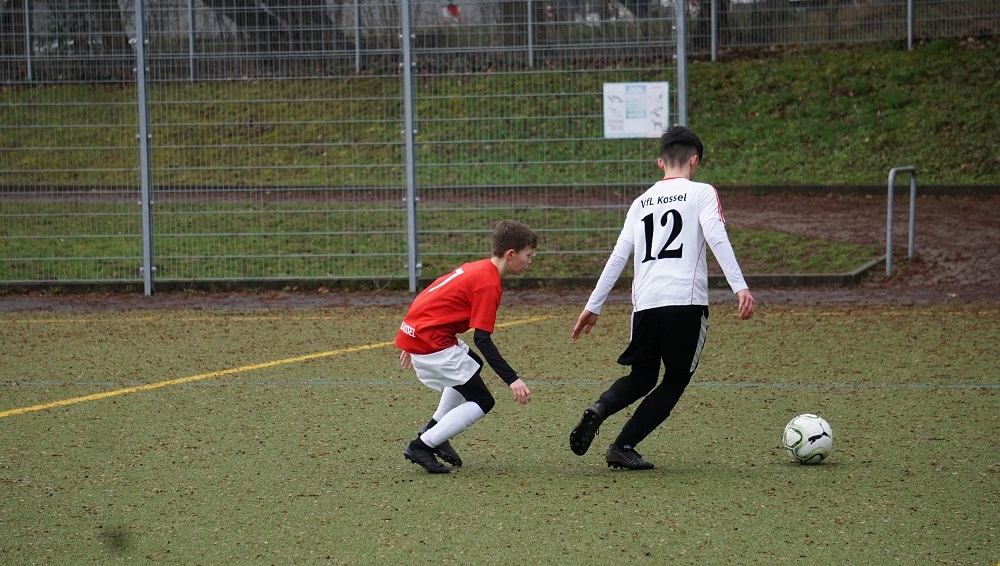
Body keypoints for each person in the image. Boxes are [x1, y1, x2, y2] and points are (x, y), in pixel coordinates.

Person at [568, 125, 755, 470]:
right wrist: (739, 286)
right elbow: (716, 236)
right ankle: (622, 446)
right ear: (694, 161)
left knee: (642, 377)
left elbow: (618, 256)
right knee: (675, 379)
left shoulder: (640, 202)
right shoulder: (702, 192)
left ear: (660, 162)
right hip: (685, 302)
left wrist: (593, 305)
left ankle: (601, 407)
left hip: (645, 305)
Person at [396, 219, 537, 473]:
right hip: (431, 340)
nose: (530, 261)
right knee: (483, 400)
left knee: (473, 364)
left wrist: (411, 332)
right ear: (511, 254)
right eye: (528, 255)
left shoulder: (477, 268)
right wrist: (512, 379)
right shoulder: (489, 284)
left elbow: (430, 294)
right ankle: (422, 446)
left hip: (422, 333)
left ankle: (434, 429)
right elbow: (482, 339)